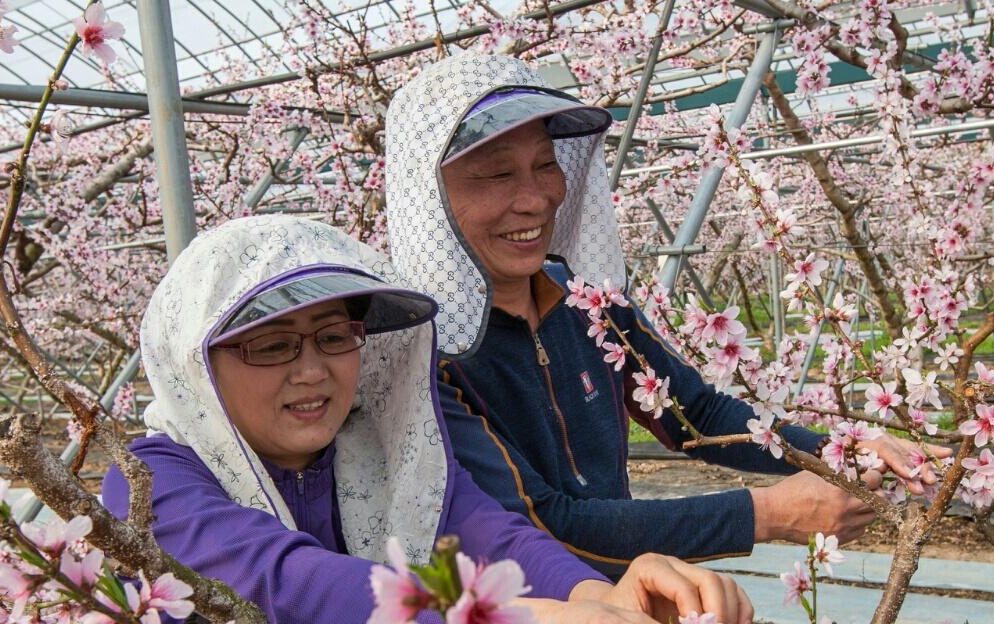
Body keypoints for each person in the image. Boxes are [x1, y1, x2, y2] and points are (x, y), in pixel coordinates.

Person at [68, 215, 747, 624]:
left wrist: (602, 602)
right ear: (198, 362)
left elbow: (492, 535)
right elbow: (292, 584)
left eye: (335, 337)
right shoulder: (153, 479)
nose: (312, 370)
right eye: (272, 344)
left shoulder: (379, 459)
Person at [383, 53, 948, 579]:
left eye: (545, 166)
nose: (535, 198)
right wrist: (770, 513)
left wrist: (838, 450)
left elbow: (694, 414)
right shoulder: (424, 357)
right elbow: (547, 523)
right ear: (428, 194)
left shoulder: (586, 302)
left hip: (632, 597)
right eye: (495, 175)